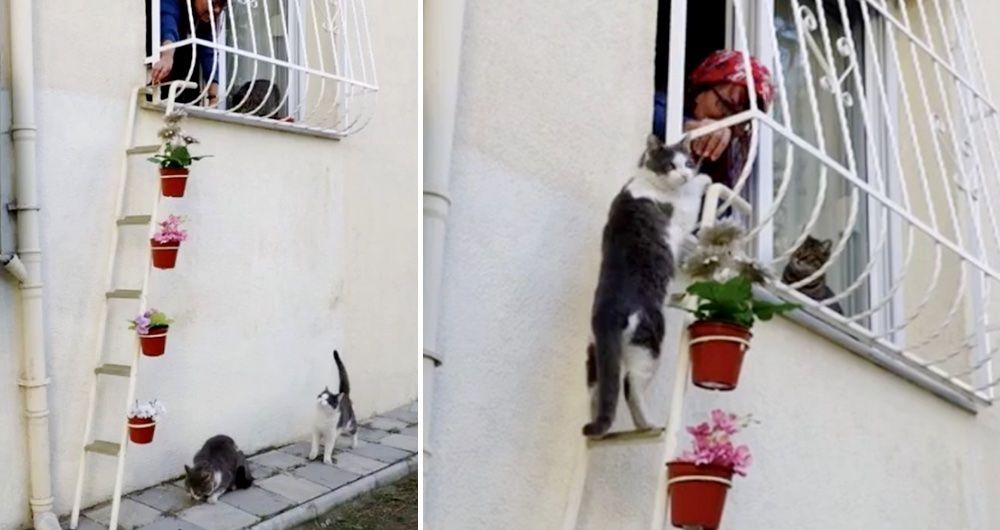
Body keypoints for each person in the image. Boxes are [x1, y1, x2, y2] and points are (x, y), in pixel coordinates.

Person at [653, 50, 775, 188]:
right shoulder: (664, 104)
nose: (728, 123)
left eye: (741, 121)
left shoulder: (729, 163)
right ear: (703, 86)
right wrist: (686, 128)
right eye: (726, 105)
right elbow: (648, 111)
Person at [146, 0, 226, 106]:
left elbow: (209, 52)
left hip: (180, 89)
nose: (217, 10)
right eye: (213, 3)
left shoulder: (205, 19)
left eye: (221, 6)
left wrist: (213, 97)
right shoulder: (175, 4)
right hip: (155, 80)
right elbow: (169, 21)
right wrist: (167, 57)